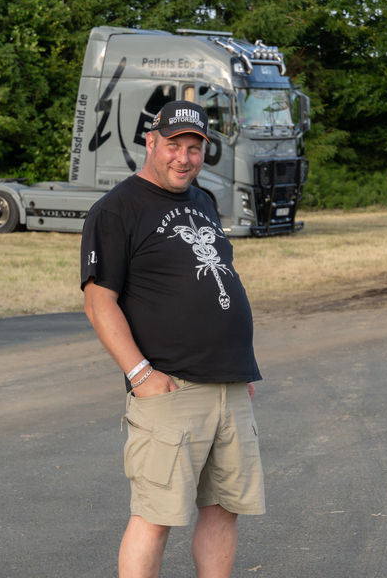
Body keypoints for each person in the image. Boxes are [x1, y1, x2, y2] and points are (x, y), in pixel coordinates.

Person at [80, 100, 265, 578]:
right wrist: (140, 375)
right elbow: (100, 303)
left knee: (224, 509)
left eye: (194, 149)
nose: (184, 158)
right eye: (174, 146)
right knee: (155, 516)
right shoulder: (116, 210)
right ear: (151, 142)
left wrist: (238, 368)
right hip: (170, 391)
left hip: (228, 386)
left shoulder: (201, 201)